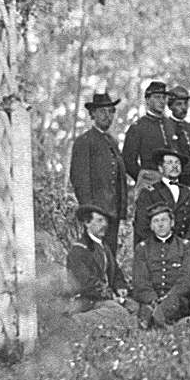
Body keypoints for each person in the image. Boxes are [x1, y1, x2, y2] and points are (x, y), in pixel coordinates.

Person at [69, 91, 127, 258]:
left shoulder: (113, 142)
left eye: (111, 112)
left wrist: (121, 211)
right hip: (96, 212)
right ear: (92, 114)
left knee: (110, 254)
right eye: (102, 111)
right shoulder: (84, 141)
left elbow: (120, 179)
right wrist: (90, 212)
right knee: (94, 254)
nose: (107, 116)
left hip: (113, 211)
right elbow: (80, 180)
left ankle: (109, 284)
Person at [132, 203, 190, 329]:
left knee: (165, 310)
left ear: (172, 223)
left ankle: (157, 320)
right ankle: (164, 321)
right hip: (150, 300)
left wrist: (169, 298)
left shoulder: (185, 246)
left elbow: (187, 280)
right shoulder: (142, 248)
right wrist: (153, 299)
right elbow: (140, 281)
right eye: (156, 221)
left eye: (164, 220)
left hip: (177, 299)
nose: (160, 224)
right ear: (151, 226)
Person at [122, 81, 182, 198]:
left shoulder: (171, 124)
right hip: (150, 182)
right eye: (157, 97)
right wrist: (143, 177)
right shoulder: (138, 126)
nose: (162, 101)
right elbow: (128, 160)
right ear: (148, 100)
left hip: (172, 181)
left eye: (164, 97)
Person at [66, 204, 130, 314]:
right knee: (119, 312)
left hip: (106, 299)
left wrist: (120, 287)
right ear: (87, 223)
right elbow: (87, 283)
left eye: (106, 221)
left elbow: (115, 273)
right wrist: (111, 295)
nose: (104, 224)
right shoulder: (79, 250)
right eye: (99, 220)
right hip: (87, 301)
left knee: (135, 307)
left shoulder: (104, 246)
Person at [133, 148, 190, 244]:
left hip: (184, 248)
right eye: (169, 163)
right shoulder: (149, 193)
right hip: (156, 248)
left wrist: (186, 243)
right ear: (161, 168)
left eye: (177, 163)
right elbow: (142, 225)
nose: (174, 166)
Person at [168, 85, 190, 196]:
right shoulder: (166, 127)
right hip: (177, 181)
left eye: (185, 104)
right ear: (170, 106)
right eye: (179, 104)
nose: (183, 108)